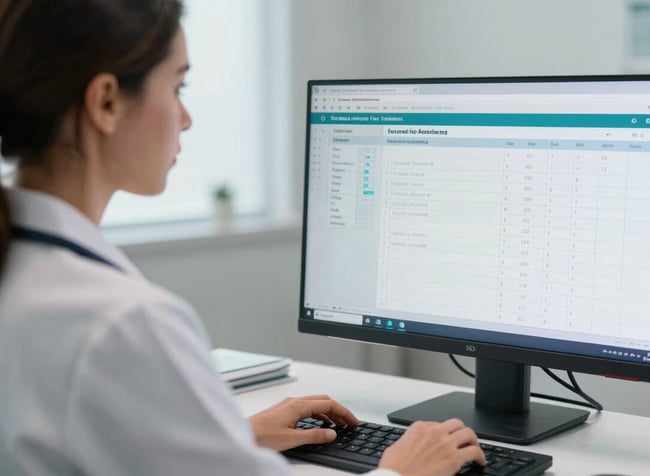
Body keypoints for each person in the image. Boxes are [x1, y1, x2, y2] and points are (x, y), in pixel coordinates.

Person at [0, 1, 487, 475]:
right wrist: (405, 471)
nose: (186, 117)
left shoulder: (27, 275)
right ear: (105, 101)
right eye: (177, 86)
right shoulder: (121, 323)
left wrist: (224, 436)